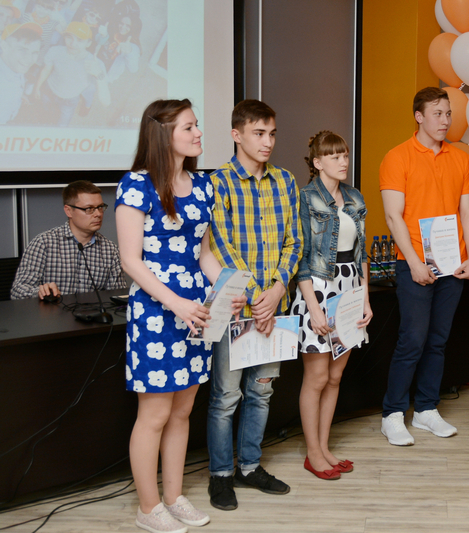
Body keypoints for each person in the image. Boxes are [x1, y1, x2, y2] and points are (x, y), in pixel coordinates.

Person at [116, 99, 244, 533]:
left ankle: (173, 496)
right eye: (189, 127)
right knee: (153, 415)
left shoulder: (203, 185)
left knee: (182, 411)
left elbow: (203, 254)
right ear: (162, 133)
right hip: (158, 312)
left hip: (197, 311)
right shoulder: (137, 184)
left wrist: (227, 288)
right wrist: (176, 303)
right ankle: (148, 506)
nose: (198, 133)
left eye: (196, 125)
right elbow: (131, 261)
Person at [206, 99, 301, 510]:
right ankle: (221, 475)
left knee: (261, 393)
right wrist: (257, 296)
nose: (268, 142)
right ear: (236, 134)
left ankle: (249, 467)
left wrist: (276, 290)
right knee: (226, 397)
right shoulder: (218, 182)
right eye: (259, 133)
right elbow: (221, 245)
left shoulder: (285, 181)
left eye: (272, 134)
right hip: (235, 308)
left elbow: (295, 241)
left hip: (273, 308)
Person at [379, 86, 469, 446]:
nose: (445, 120)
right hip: (414, 263)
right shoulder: (397, 157)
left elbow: (467, 210)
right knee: (413, 340)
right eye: (437, 113)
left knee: (437, 340)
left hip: (452, 263)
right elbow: (393, 216)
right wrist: (414, 262)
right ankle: (392, 413)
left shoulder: (460, 158)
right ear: (419, 116)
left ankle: (426, 409)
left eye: (448, 113)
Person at [290, 131, 372, 480]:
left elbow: (361, 253)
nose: (343, 161)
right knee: (318, 377)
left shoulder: (354, 197)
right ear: (317, 162)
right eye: (335, 156)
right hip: (318, 289)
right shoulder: (305, 198)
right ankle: (312, 453)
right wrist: (313, 307)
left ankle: (324, 449)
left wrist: (365, 298)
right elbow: (302, 258)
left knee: (336, 376)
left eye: (345, 155)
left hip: (349, 288)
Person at [11, 179, 126, 300]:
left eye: (100, 207)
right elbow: (17, 291)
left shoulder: (110, 250)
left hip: (92, 311)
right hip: (54, 311)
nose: (98, 214)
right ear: (69, 211)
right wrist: (41, 292)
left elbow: (118, 296)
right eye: (89, 208)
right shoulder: (44, 243)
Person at [34, 20, 109, 126]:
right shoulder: (55, 51)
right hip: (48, 91)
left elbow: (106, 102)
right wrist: (37, 87)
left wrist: (99, 74)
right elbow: (46, 70)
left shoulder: (95, 64)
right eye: (69, 37)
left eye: (80, 40)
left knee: (62, 127)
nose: (73, 44)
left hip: (70, 100)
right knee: (44, 116)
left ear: (88, 43)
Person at [0, 22, 41, 125]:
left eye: (34, 52)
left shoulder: (14, 66)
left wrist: (18, 95)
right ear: (4, 46)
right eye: (22, 50)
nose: (29, 58)